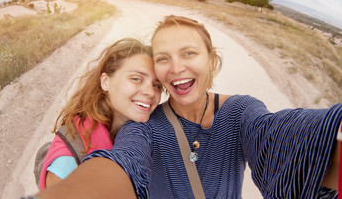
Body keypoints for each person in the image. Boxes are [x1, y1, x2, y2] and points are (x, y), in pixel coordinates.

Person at [34, 15, 342, 199]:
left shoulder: (240, 113)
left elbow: (280, 136)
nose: (176, 67)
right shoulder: (142, 127)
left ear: (211, 60)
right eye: (164, 58)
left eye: (189, 53)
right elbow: (125, 162)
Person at [37, 38, 162, 190]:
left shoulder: (147, 132)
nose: (150, 92)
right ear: (105, 82)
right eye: (136, 79)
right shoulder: (67, 163)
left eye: (156, 85)